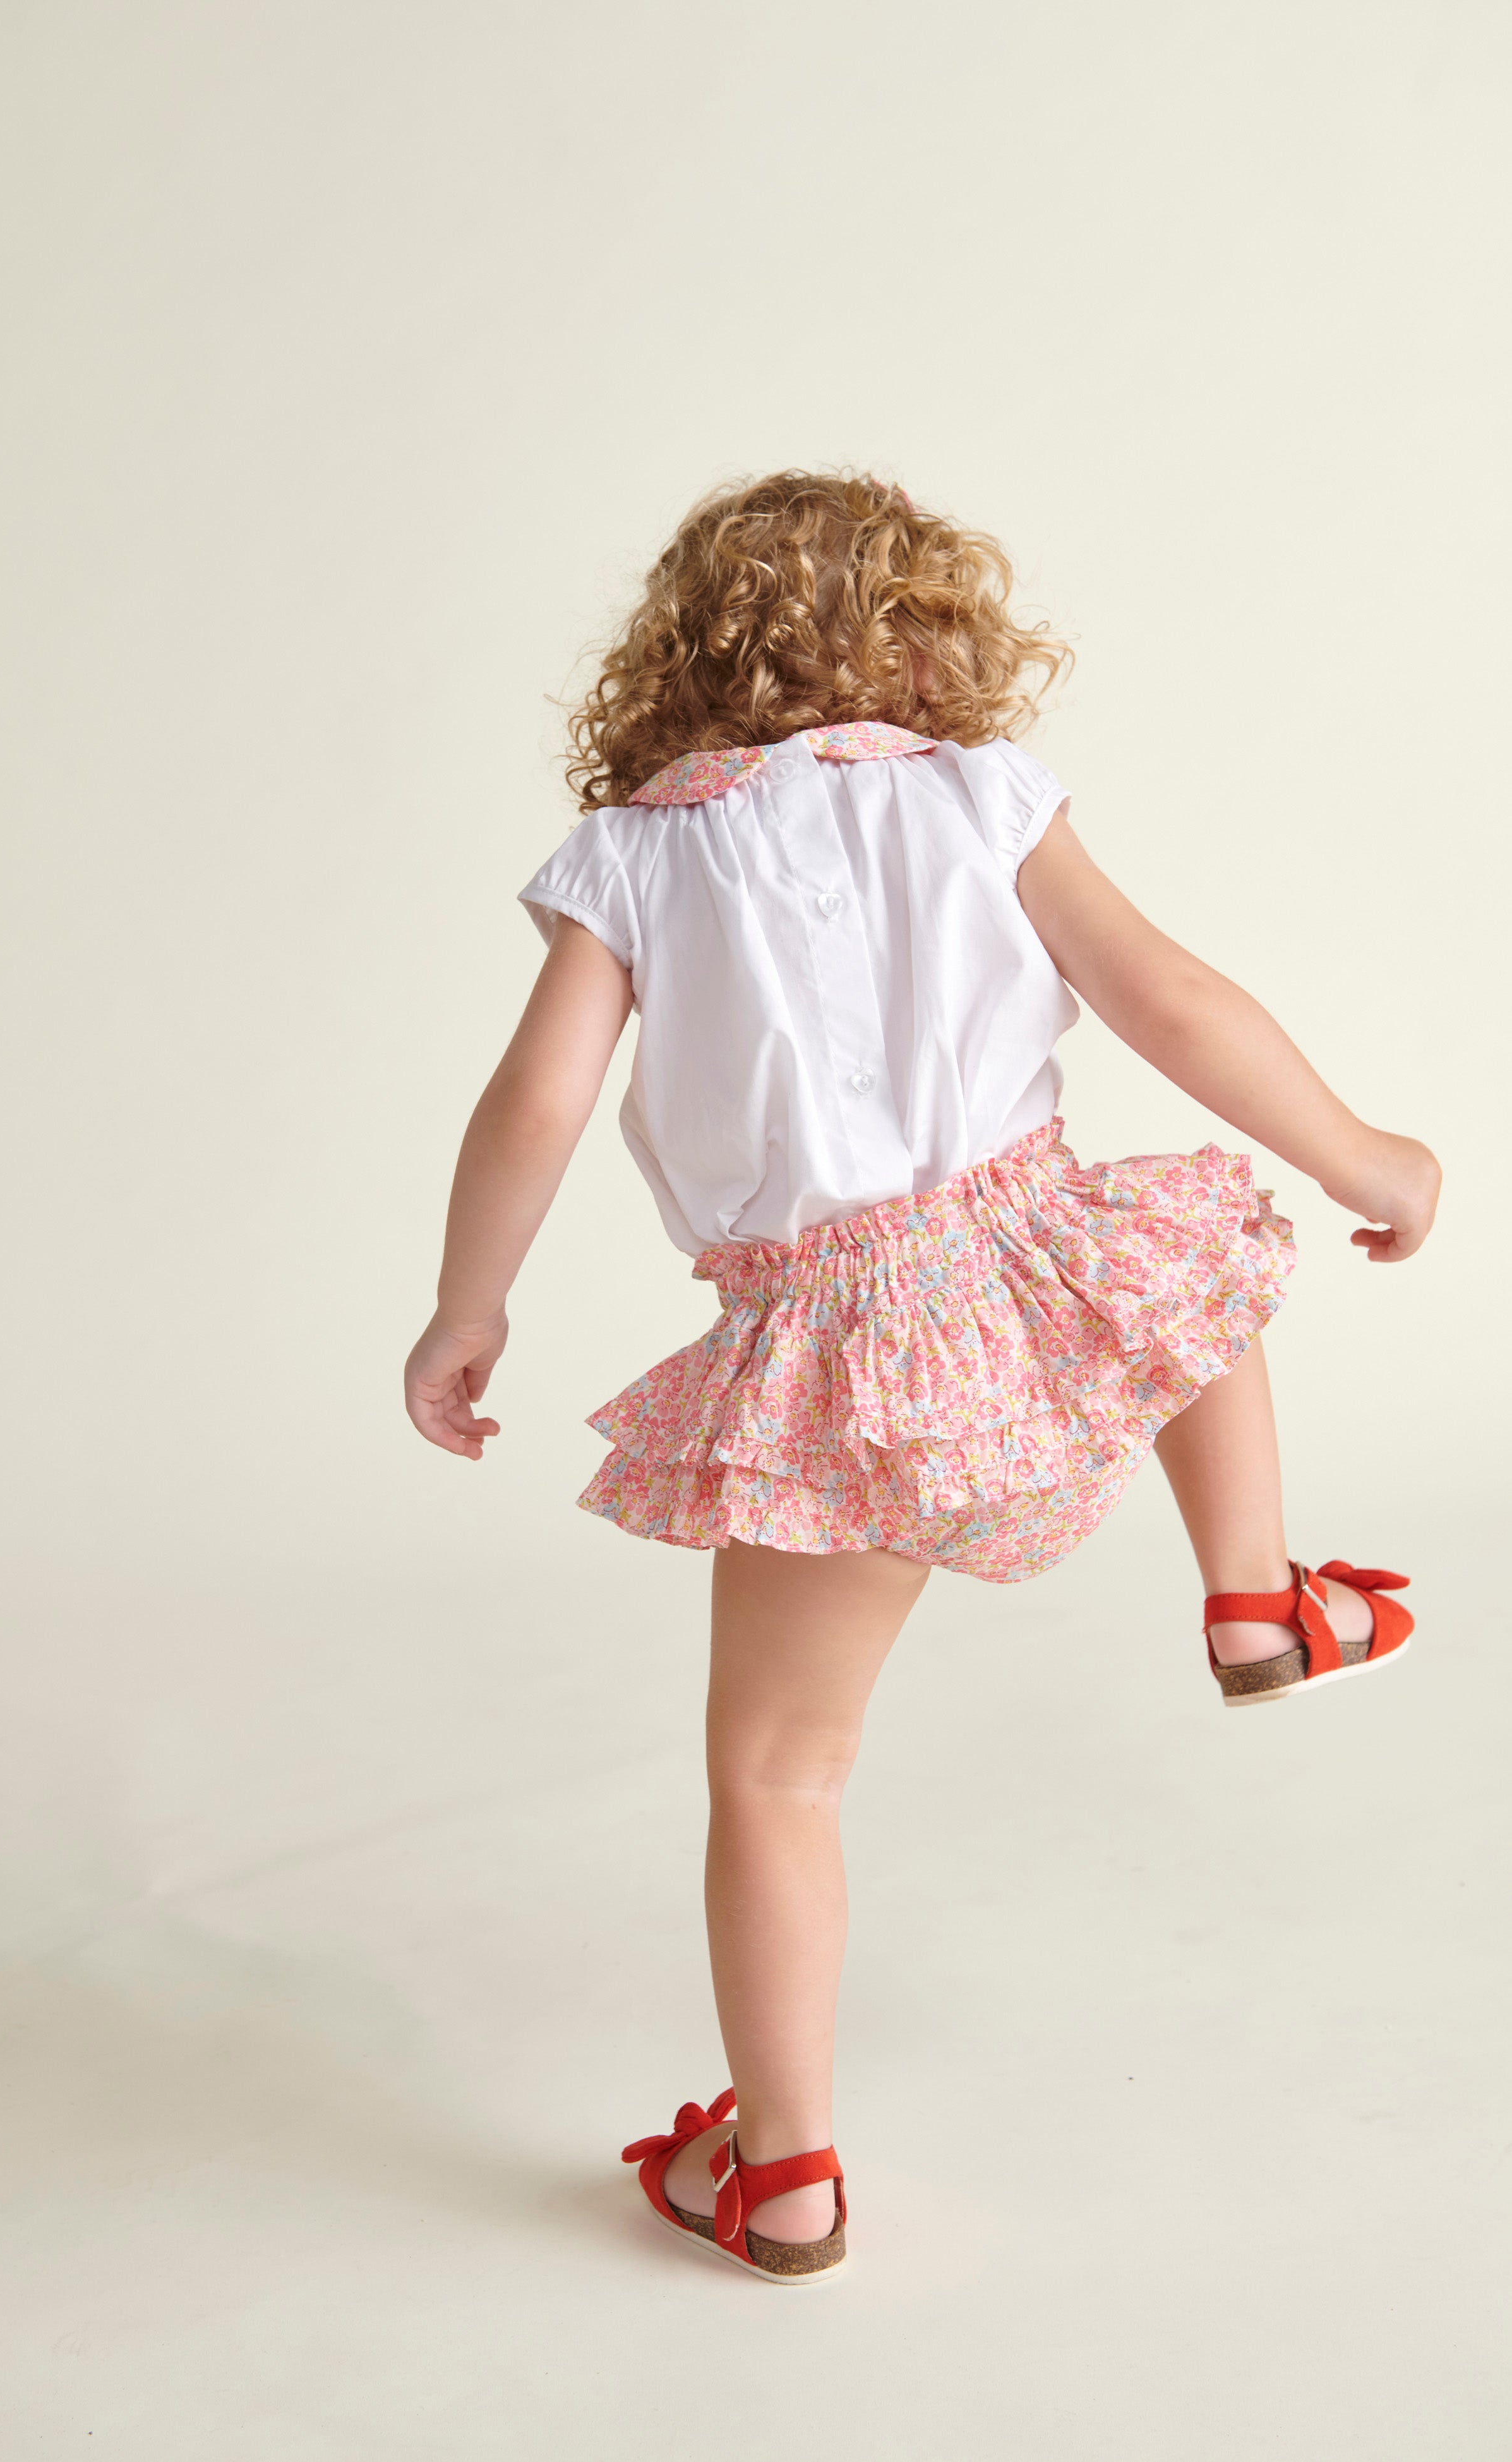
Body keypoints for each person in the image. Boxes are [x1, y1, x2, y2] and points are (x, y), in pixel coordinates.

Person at [403, 472, 1439, 2286]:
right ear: (929, 636)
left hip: (831, 1344)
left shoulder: (632, 853)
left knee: (779, 1776)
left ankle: (783, 2171)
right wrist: (1366, 1155)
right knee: (1180, 1257)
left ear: (677, 658)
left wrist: (465, 1307)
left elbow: (541, 1103)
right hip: (1020, 1249)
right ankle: (1254, 1590)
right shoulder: (979, 792)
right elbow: (1170, 999)